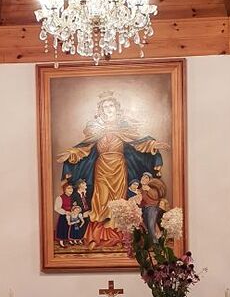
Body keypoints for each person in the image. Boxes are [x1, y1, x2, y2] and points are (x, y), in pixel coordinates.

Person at [57, 91, 167, 249]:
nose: (108, 108)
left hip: (118, 168)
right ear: (101, 110)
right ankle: (97, 237)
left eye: (111, 105)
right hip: (102, 168)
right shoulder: (95, 128)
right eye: (105, 106)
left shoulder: (124, 127)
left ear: (116, 108)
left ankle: (121, 237)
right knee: (100, 200)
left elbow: (138, 142)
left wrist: (153, 145)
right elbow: (84, 147)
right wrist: (71, 153)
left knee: (118, 200)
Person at [54, 179, 74, 247]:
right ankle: (61, 241)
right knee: (62, 228)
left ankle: (69, 239)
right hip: (63, 216)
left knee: (70, 228)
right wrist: (65, 212)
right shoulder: (60, 198)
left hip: (72, 215)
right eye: (68, 188)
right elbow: (57, 208)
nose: (71, 190)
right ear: (64, 189)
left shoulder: (73, 198)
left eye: (71, 188)